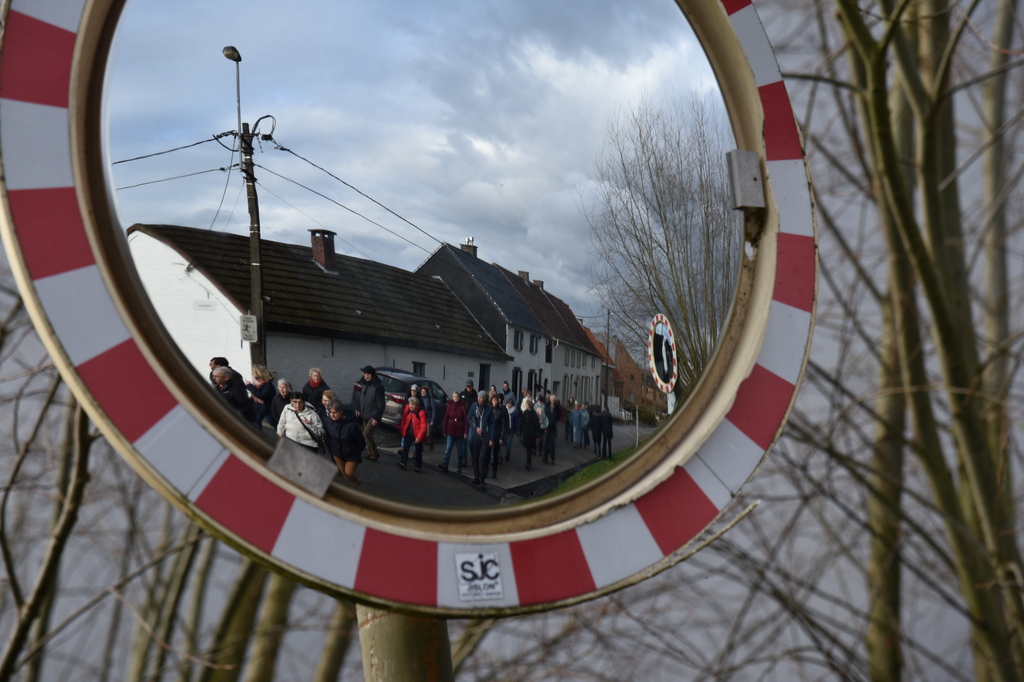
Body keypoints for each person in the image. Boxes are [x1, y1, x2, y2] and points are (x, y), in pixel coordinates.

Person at [322, 399, 364, 486]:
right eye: (330, 412)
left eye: (335, 412)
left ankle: (357, 486)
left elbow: (361, 442)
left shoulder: (352, 425)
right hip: (337, 454)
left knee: (349, 474)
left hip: (351, 454)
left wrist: (354, 451)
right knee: (344, 474)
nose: (332, 415)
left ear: (342, 412)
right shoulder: (328, 422)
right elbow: (327, 436)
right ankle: (353, 487)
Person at [353, 366, 385, 461]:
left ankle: (375, 453)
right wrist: (358, 408)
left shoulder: (378, 387)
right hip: (365, 412)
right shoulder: (364, 384)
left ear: (369, 375)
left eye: (365, 373)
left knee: (367, 433)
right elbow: (360, 397)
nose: (363, 374)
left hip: (373, 414)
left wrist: (376, 417)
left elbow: (381, 404)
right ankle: (370, 452)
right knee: (366, 434)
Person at [397, 396, 428, 472]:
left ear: (417, 405)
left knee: (418, 450)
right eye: (411, 404)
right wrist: (403, 431)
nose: (411, 406)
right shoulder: (407, 408)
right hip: (409, 432)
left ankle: (418, 466)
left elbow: (423, 426)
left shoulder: (421, 412)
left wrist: (419, 437)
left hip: (417, 434)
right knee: (405, 447)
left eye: (413, 405)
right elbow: (404, 420)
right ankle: (403, 463)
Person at [441, 391, 468, 473]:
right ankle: (445, 463)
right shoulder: (450, 406)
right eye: (454, 396)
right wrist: (444, 430)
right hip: (450, 430)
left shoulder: (462, 407)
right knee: (448, 448)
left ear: (459, 397)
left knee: (459, 450)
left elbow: (466, 421)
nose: (455, 398)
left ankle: (459, 465)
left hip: (459, 432)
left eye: (457, 396)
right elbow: (446, 418)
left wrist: (465, 432)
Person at [484, 394, 508, 480]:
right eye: (493, 400)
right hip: (489, 434)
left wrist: (501, 437)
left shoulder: (500, 411)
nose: (494, 402)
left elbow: (503, 424)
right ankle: (486, 470)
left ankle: (494, 471)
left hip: (497, 434)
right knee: (487, 453)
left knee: (495, 454)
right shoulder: (488, 410)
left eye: (496, 400)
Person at [246, 364, 275, 429]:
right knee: (257, 423)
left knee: (273, 423)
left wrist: (249, 386)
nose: (251, 373)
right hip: (258, 408)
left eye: (253, 372)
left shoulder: (268, 385)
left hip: (266, 409)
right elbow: (256, 394)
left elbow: (261, 395)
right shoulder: (258, 383)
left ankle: (282, 435)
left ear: (258, 373)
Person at [467, 392, 488, 485]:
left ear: (484, 399)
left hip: (484, 436)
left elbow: (491, 423)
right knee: (476, 457)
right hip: (476, 434)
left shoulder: (488, 409)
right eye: (478, 397)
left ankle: (482, 479)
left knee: (482, 457)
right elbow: (469, 417)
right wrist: (475, 427)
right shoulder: (473, 406)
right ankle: (476, 477)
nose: (479, 399)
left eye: (481, 397)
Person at [520, 398, 541, 470]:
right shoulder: (525, 412)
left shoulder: (533, 414)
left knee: (529, 449)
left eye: (526, 404)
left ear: (529, 405)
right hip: (526, 433)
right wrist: (519, 430)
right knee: (527, 449)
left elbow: (537, 425)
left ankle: (528, 463)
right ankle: (528, 462)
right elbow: (522, 422)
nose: (525, 405)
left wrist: (538, 436)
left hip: (531, 434)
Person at [417, 385, 436, 451]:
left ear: (427, 392)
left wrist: (432, 420)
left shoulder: (430, 398)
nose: (423, 393)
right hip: (422, 418)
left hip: (428, 419)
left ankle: (431, 443)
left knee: (428, 434)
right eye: (422, 391)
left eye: (424, 392)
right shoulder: (420, 398)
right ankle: (421, 446)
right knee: (421, 433)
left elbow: (434, 409)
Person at [545, 394, 561, 464]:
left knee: (553, 443)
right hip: (547, 426)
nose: (552, 401)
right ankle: (545, 458)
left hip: (553, 427)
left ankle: (552, 459)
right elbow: (545, 415)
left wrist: (556, 421)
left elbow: (558, 416)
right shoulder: (547, 407)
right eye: (551, 400)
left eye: (553, 400)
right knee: (546, 443)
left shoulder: (557, 408)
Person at [503, 398, 518, 462]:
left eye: (510, 404)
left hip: (512, 428)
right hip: (506, 427)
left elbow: (516, 421)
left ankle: (507, 454)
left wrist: (517, 429)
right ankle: (507, 451)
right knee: (506, 441)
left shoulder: (515, 411)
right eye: (508, 404)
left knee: (509, 441)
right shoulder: (505, 409)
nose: (509, 405)